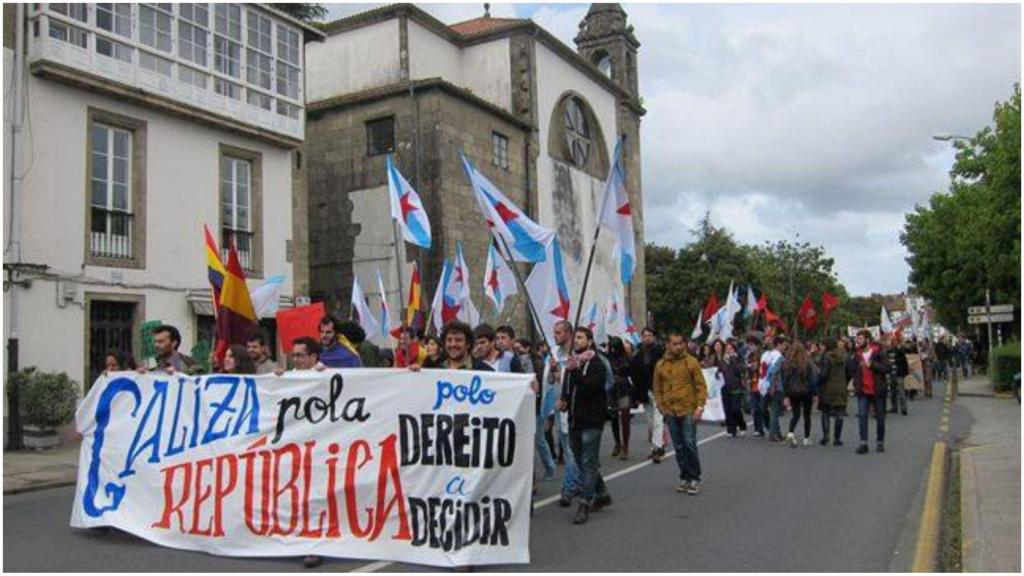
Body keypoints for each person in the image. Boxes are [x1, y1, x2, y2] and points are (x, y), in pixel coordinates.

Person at [557, 326, 611, 524]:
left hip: (592, 420)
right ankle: (602, 493)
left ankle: (584, 503)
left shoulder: (597, 363)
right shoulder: (574, 363)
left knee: (588, 462)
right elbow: (569, 387)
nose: (576, 341)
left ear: (589, 341)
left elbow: (589, 388)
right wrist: (563, 398)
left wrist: (576, 370)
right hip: (574, 420)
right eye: (575, 338)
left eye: (580, 338)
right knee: (581, 461)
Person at [654, 332, 707, 495]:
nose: (678, 346)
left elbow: (701, 386)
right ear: (668, 345)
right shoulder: (661, 365)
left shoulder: (691, 362)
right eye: (674, 343)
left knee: (689, 443)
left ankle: (694, 478)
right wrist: (661, 406)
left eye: (680, 343)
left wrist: (699, 407)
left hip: (688, 409)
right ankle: (684, 476)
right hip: (670, 410)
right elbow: (657, 388)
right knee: (678, 446)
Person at [546, 320, 581, 507]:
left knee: (572, 451)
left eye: (559, 332)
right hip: (560, 410)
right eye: (554, 332)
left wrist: (565, 375)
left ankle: (568, 488)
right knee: (571, 452)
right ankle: (589, 485)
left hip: (577, 409)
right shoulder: (555, 354)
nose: (555, 336)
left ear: (568, 333)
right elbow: (551, 381)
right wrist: (552, 371)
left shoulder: (578, 354)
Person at [631, 327, 666, 463]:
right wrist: (638, 395)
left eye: (649, 335)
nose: (647, 338)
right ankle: (659, 444)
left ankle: (656, 448)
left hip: (658, 389)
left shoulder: (660, 352)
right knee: (650, 421)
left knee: (658, 419)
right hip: (644, 391)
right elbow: (634, 375)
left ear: (654, 337)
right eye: (644, 335)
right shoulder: (637, 353)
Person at [850, 330, 888, 454]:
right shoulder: (856, 355)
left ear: (867, 340)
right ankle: (863, 443)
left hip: (877, 391)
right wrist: (856, 384)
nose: (857, 341)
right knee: (862, 416)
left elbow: (886, 369)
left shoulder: (878, 353)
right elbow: (852, 371)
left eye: (860, 339)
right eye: (857, 339)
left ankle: (880, 441)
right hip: (863, 391)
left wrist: (872, 365)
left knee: (880, 418)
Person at [782, 341, 815, 447]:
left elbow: (785, 381)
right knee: (807, 415)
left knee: (795, 414)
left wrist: (785, 395)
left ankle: (791, 432)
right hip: (806, 391)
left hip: (793, 391)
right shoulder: (807, 363)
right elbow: (812, 380)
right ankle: (806, 437)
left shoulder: (788, 364)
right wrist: (815, 394)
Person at [607, 337, 634, 460]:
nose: (613, 350)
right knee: (613, 417)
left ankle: (626, 446)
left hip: (624, 390)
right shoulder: (608, 359)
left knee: (625, 418)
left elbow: (633, 375)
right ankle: (617, 442)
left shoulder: (627, 358)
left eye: (615, 347)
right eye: (611, 347)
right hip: (612, 391)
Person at [817, 338, 848, 446]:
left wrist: (818, 380)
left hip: (827, 387)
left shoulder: (826, 357)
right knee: (839, 413)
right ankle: (837, 438)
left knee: (825, 412)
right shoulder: (843, 356)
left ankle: (826, 436)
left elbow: (824, 373)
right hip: (841, 386)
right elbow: (849, 370)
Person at [760, 336, 788, 442]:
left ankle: (777, 433)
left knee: (769, 409)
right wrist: (772, 386)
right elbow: (773, 372)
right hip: (775, 386)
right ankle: (773, 433)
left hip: (763, 385)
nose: (785, 347)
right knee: (774, 410)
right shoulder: (778, 357)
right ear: (779, 345)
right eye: (784, 345)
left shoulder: (766, 354)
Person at [718, 341, 747, 437]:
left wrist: (733, 359)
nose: (728, 350)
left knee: (736, 408)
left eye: (730, 348)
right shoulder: (722, 360)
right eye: (727, 349)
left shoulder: (738, 359)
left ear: (734, 350)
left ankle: (742, 425)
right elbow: (719, 371)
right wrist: (716, 374)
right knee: (728, 409)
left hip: (737, 387)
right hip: (726, 387)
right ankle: (731, 429)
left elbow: (739, 370)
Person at [745, 336, 767, 437]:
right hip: (753, 385)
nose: (750, 347)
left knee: (762, 407)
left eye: (752, 345)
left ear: (757, 345)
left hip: (762, 384)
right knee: (755, 408)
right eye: (749, 345)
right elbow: (747, 369)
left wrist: (757, 366)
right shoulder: (749, 356)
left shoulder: (763, 355)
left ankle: (768, 424)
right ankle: (758, 429)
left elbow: (766, 368)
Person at [885, 334, 909, 415]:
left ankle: (903, 408)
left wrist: (905, 373)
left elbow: (905, 363)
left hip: (899, 374)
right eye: (893, 342)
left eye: (896, 342)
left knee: (901, 392)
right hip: (891, 374)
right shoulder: (888, 352)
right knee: (892, 392)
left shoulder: (901, 352)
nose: (894, 343)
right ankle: (894, 407)